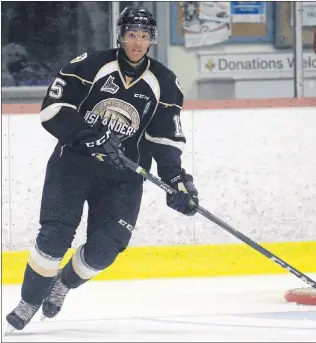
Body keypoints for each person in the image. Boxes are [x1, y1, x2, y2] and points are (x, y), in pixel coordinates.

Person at [6, 6, 199, 332]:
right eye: (131, 34)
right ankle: (28, 302)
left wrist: (178, 182)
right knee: (54, 238)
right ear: (121, 35)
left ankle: (63, 284)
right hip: (72, 165)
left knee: (105, 250)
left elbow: (164, 142)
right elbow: (53, 108)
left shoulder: (164, 82)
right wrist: (88, 136)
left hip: (123, 178)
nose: (137, 43)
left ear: (152, 39)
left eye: (143, 36)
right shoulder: (90, 64)